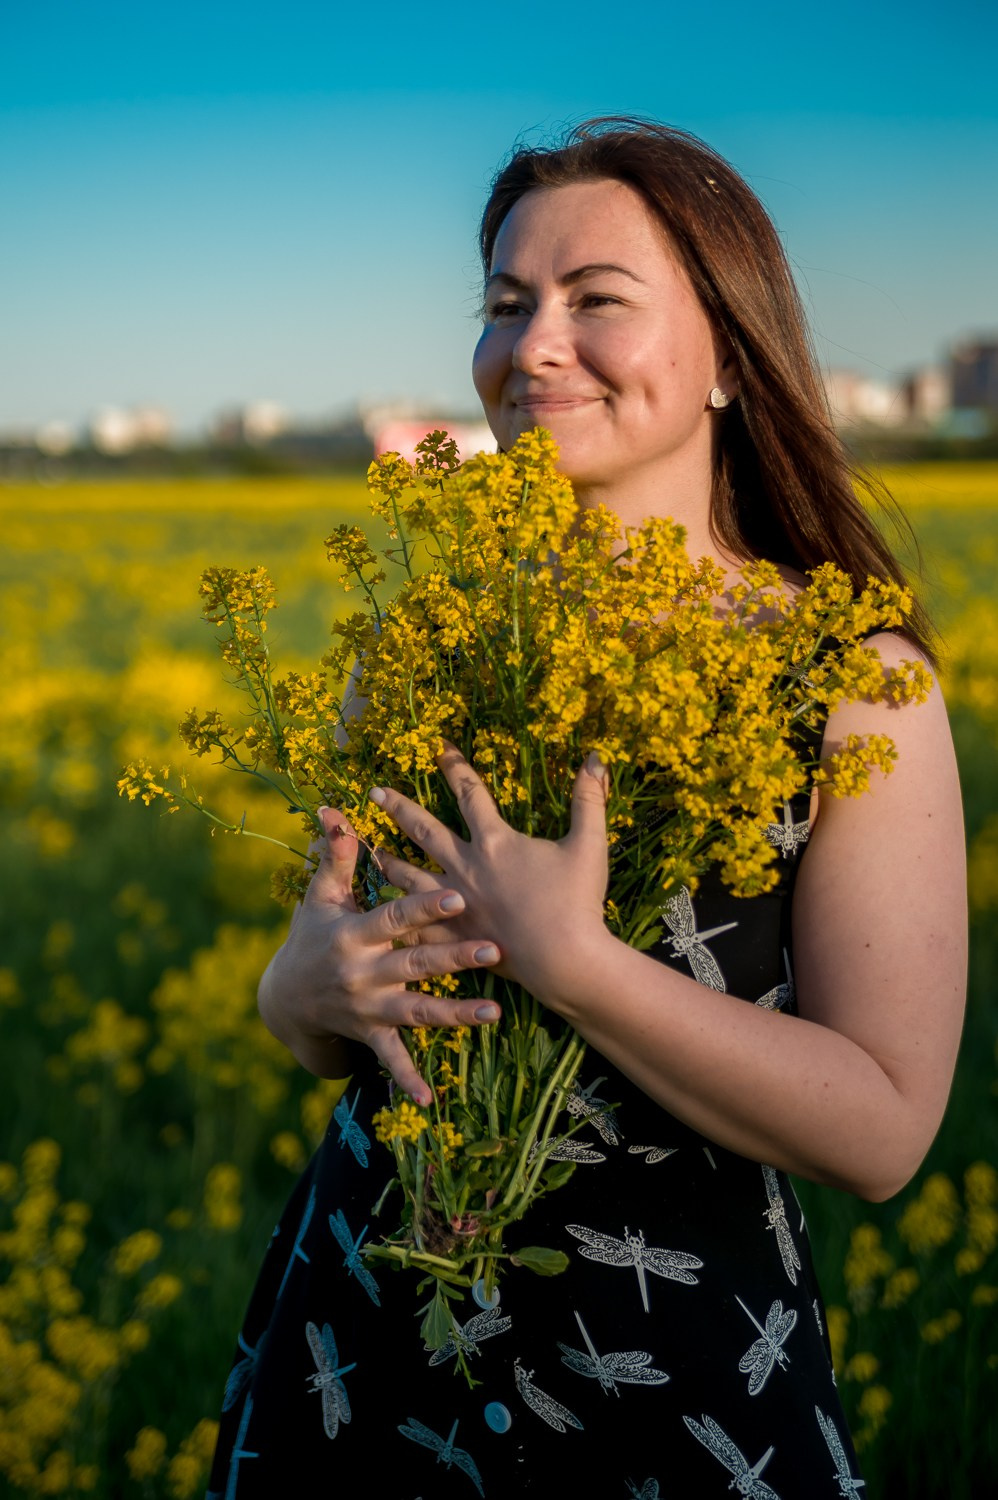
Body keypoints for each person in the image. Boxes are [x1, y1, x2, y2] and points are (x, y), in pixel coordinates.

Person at [206, 118, 966, 1497]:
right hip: (358, 1365)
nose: (533, 346)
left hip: (673, 1395)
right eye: (506, 305)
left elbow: (883, 1130)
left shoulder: (852, 683)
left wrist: (576, 964)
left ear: (731, 356)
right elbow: (328, 1015)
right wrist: (300, 993)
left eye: (594, 299)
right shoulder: (419, 648)